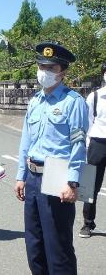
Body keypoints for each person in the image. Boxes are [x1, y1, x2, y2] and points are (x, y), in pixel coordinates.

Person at [14, 41, 89, 275]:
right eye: (41, 66)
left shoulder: (73, 101)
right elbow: (26, 140)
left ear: (63, 72)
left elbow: (78, 144)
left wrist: (72, 181)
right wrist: (20, 175)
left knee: (58, 248)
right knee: (34, 246)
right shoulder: (35, 101)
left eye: (51, 68)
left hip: (58, 176)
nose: (44, 72)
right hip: (33, 177)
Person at [79, 62, 106, 238]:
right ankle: (88, 224)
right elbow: (87, 123)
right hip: (98, 143)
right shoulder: (94, 97)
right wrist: (87, 145)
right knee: (91, 187)